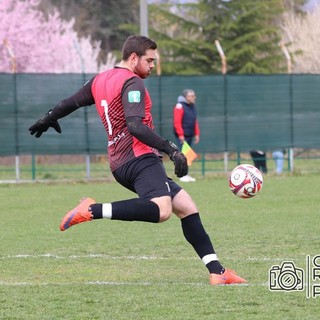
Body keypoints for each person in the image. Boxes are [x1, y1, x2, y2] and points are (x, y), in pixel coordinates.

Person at [29, 35, 246, 286]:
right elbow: (135, 126)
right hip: (139, 158)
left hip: (120, 163)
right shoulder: (132, 83)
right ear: (134, 58)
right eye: (149, 60)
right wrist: (172, 149)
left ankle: (217, 272)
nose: (153, 66)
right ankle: (91, 210)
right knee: (162, 210)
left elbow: (70, 103)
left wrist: (48, 118)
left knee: (186, 207)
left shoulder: (100, 80)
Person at [173, 89, 200, 182]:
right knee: (182, 155)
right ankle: (182, 175)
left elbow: (194, 120)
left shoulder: (192, 106)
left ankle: (186, 174)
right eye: (192, 96)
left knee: (187, 155)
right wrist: (180, 134)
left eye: (194, 95)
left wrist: (197, 133)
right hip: (182, 136)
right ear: (186, 97)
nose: (194, 97)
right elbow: (177, 122)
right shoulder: (179, 106)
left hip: (189, 135)